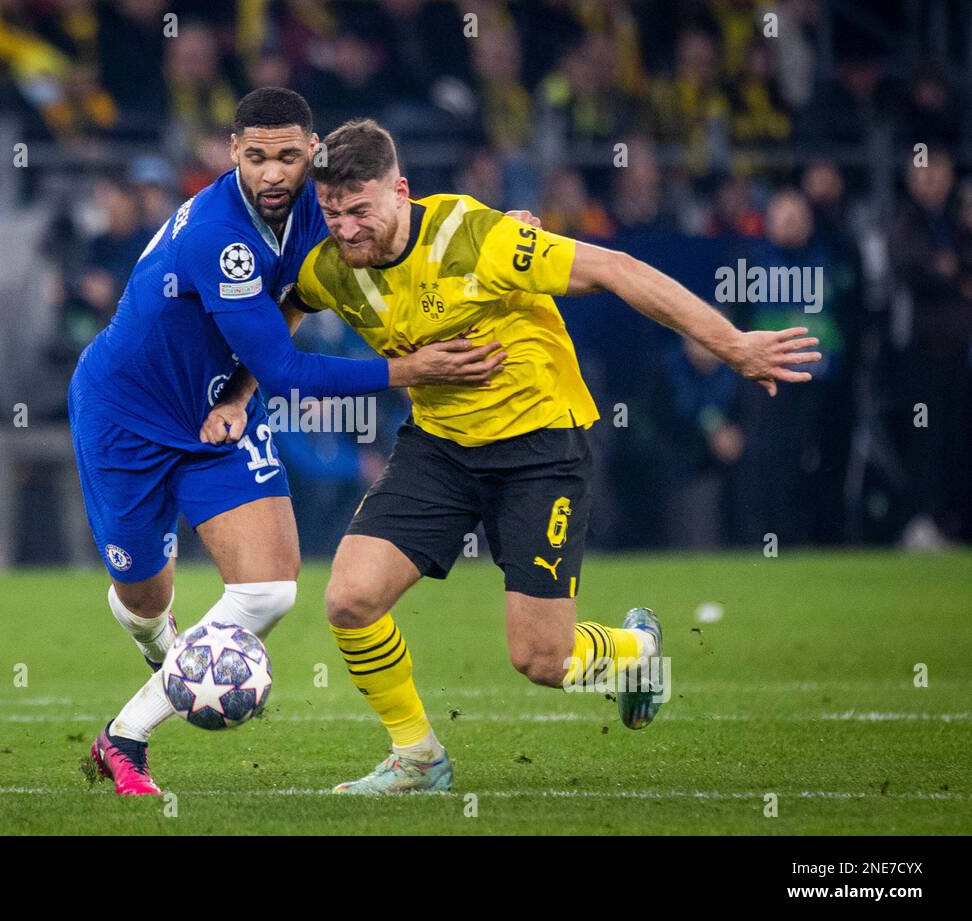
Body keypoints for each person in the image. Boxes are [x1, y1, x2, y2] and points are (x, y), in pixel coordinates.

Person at [206, 118, 820, 794]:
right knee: (349, 599)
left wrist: (733, 344)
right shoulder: (332, 267)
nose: (346, 227)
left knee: (542, 659)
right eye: (332, 212)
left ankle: (637, 652)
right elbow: (285, 311)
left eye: (360, 210)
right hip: (439, 448)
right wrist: (237, 398)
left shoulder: (478, 239)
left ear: (401, 192)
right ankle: (418, 758)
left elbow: (616, 269)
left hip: (539, 450)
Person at [73, 88, 504, 795]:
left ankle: (124, 740)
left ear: (313, 152)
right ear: (231, 153)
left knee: (270, 590)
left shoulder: (320, 201)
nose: (273, 174)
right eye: (255, 157)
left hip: (218, 414)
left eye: (288, 157)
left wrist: (492, 227)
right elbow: (286, 370)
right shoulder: (220, 236)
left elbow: (395, 218)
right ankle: (167, 651)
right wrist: (412, 370)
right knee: (143, 595)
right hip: (126, 417)